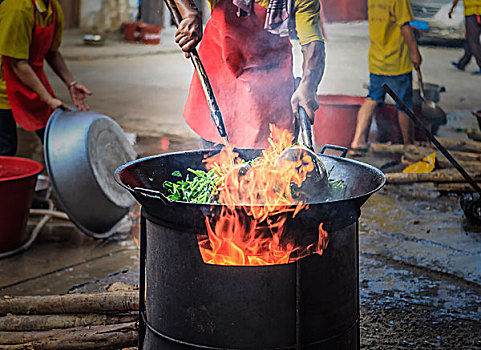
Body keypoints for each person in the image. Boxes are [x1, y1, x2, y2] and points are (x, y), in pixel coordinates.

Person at [173, 0, 325, 149]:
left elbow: (312, 42)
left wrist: (308, 85)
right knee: (214, 160)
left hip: (272, 80)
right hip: (219, 68)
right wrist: (189, 13)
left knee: (272, 159)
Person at [0, 0, 91, 156]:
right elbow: (17, 63)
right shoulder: (17, 7)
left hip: (33, 81)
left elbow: (52, 52)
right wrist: (48, 99)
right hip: (5, 85)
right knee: (6, 148)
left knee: (53, 139)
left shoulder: (53, 8)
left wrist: (71, 83)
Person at [350, 0, 422, 150]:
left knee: (372, 98)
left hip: (377, 59)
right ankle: (409, 145)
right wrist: (415, 51)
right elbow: (404, 25)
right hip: (396, 62)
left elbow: (387, 22)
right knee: (404, 105)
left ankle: (358, 140)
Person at [449, 0, 481, 75]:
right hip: (476, 13)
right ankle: (462, 63)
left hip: (474, 13)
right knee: (469, 39)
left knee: (473, 41)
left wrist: (452, 9)